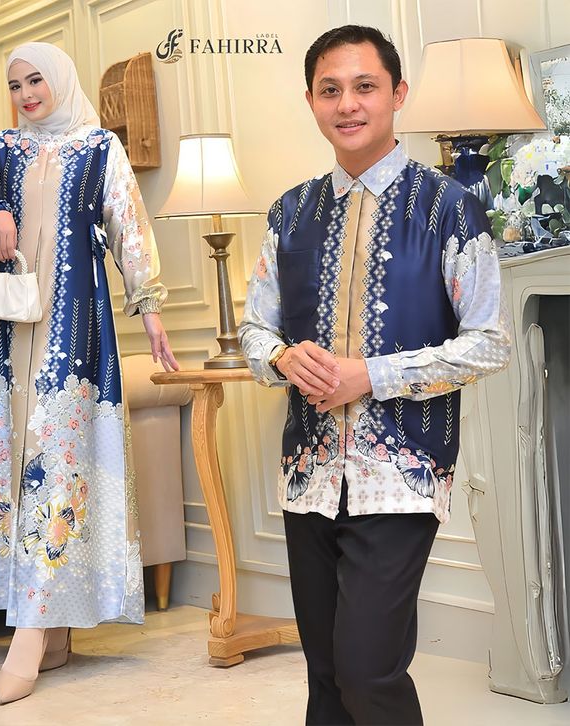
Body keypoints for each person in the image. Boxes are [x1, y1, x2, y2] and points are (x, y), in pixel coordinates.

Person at [239, 25, 511, 726]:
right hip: (308, 474)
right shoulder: (288, 213)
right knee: (326, 678)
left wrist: (373, 375)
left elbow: (489, 344)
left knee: (367, 671)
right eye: (330, 89)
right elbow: (254, 331)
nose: (347, 104)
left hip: (403, 473)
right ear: (310, 100)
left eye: (365, 86)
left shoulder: (448, 205)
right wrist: (281, 358)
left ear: (398, 94)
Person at [0, 41, 179, 705]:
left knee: (55, 454)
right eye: (16, 85)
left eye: (36, 80)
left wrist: (151, 312)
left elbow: (129, 230)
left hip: (72, 322)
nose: (26, 94)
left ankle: (33, 629)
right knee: (8, 455)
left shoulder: (100, 149)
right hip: (3, 326)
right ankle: (55, 630)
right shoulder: (2, 148)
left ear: (60, 80)